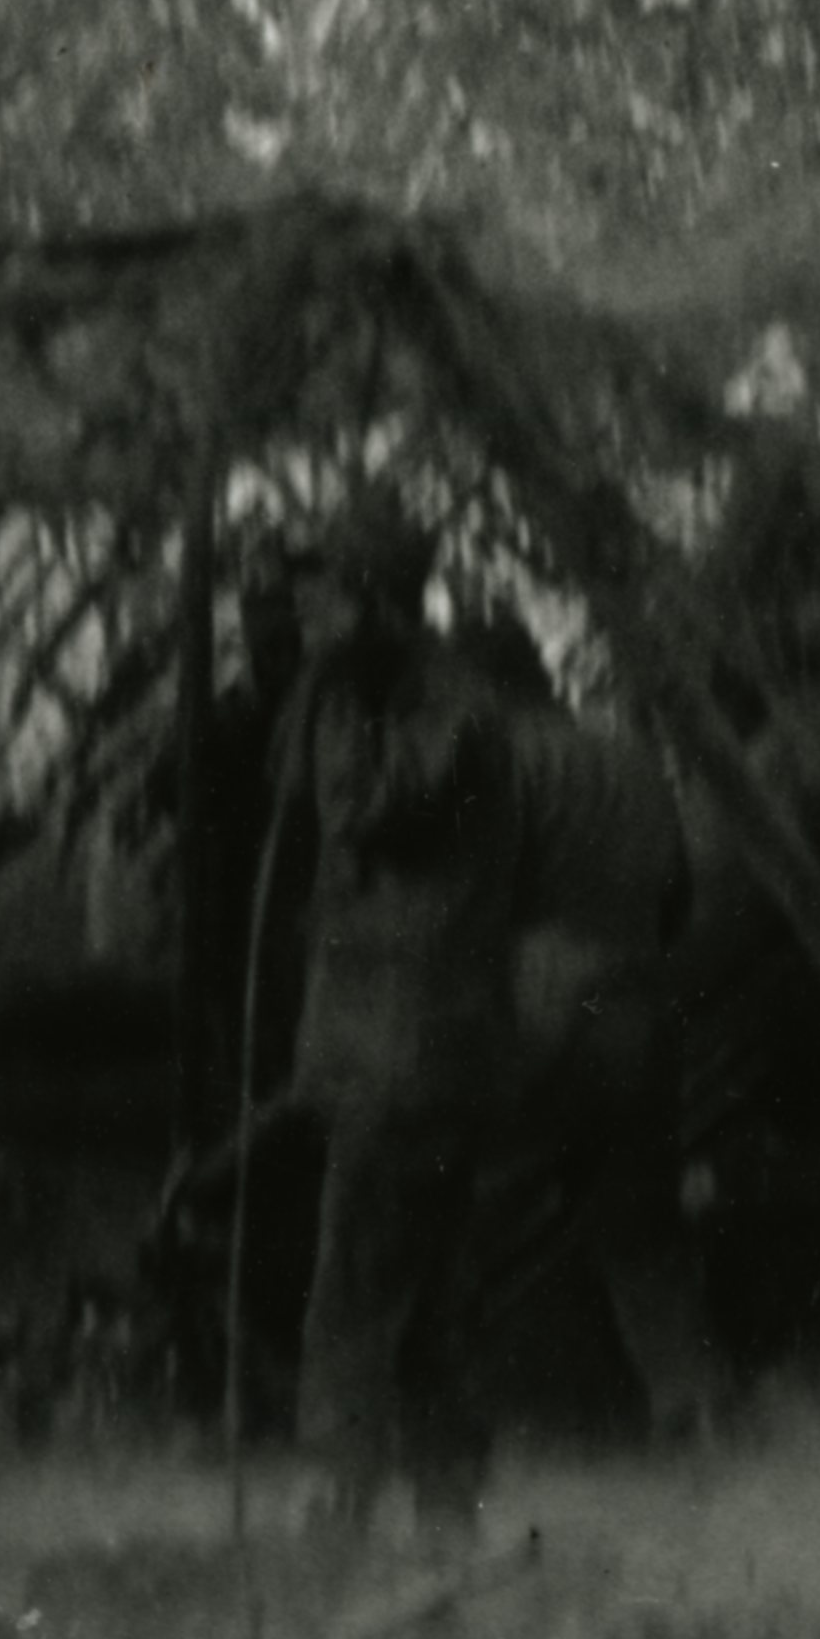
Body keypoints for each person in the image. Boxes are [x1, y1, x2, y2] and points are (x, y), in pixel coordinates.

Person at [284, 510, 530, 1532]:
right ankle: (443, 1499)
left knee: (363, 1272)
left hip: (412, 1041)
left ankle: (344, 1495)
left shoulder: (442, 709)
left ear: (378, 602)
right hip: (412, 1039)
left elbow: (357, 806)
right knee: (425, 1281)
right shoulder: (414, 699)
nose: (307, 618)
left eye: (327, 598)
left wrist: (335, 692)